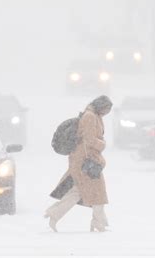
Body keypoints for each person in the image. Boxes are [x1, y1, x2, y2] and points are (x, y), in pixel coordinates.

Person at [45, 95, 112, 232]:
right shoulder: (90, 117)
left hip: (85, 160)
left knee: (79, 192)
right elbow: (89, 140)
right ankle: (98, 222)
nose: (107, 113)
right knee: (97, 193)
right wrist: (102, 144)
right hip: (86, 161)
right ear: (100, 106)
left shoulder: (94, 115)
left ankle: (55, 214)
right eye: (106, 109)